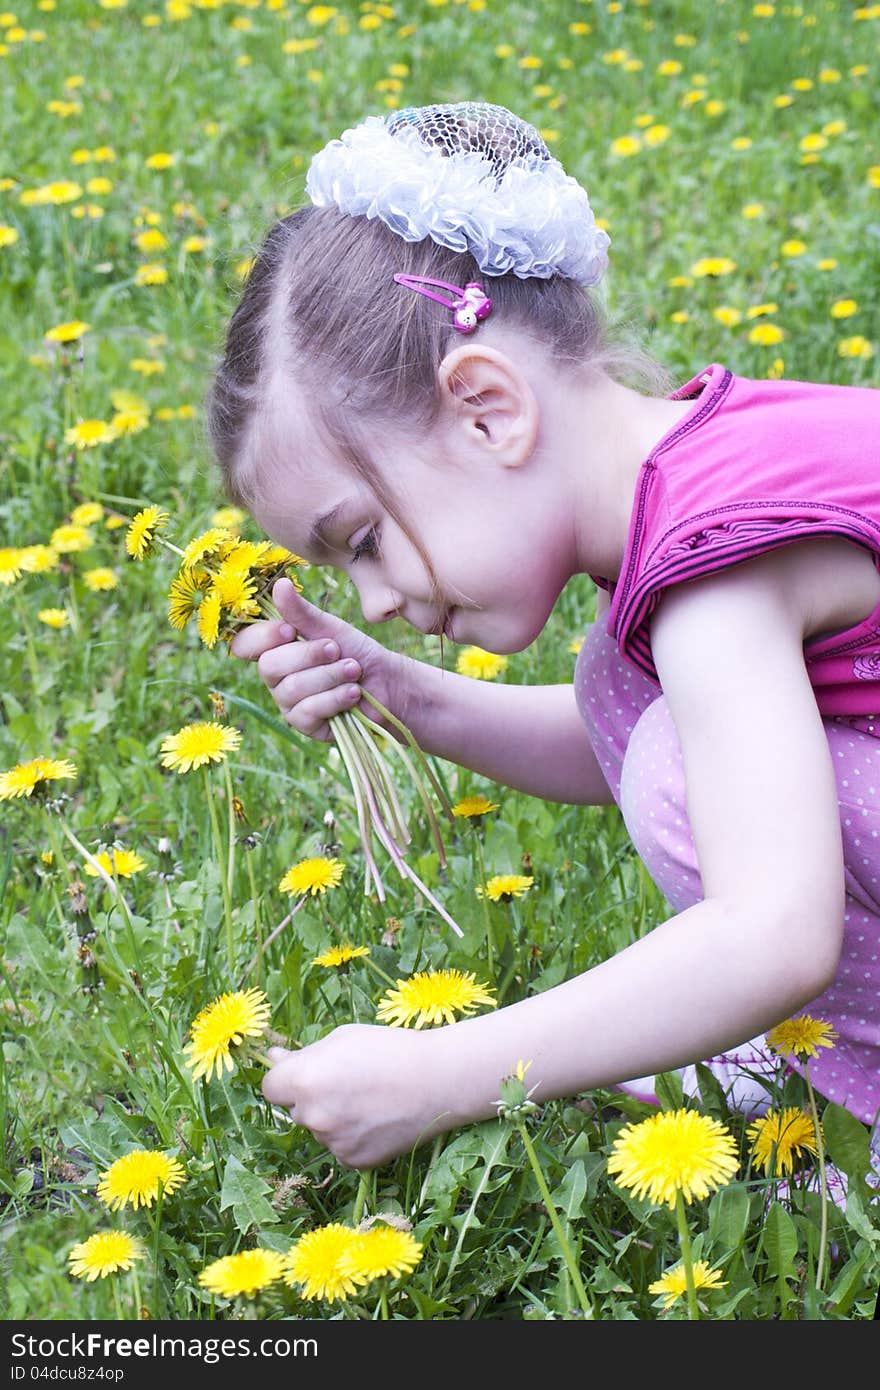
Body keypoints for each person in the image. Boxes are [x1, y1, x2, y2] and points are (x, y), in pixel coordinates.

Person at [208, 101, 880, 1173]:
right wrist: (408, 695)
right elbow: (658, 737)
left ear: (486, 409)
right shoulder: (709, 463)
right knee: (627, 696)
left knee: (665, 756)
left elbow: (775, 928)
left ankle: (861, 1113)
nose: (376, 597)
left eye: (367, 538)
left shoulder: (713, 570)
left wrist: (442, 1074)